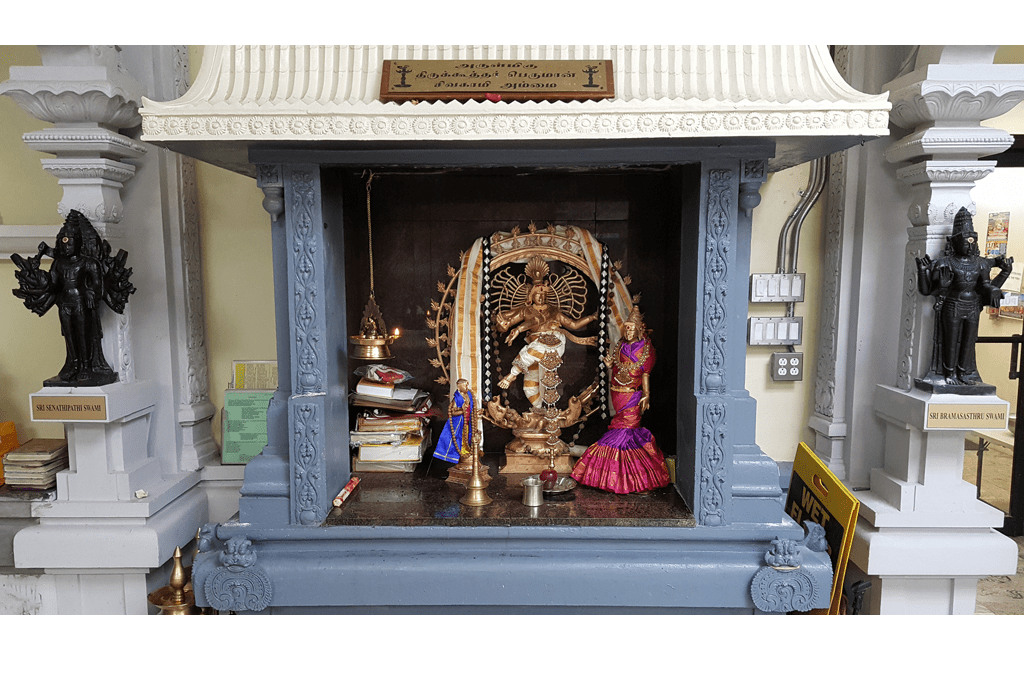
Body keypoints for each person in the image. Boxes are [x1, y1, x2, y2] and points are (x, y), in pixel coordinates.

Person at [11, 210, 133, 386]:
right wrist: (39, 276)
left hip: (80, 303)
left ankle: (86, 366)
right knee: (69, 335)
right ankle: (74, 365)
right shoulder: (59, 263)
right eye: (63, 243)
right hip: (65, 304)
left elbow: (98, 284)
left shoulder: (88, 262)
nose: (66, 246)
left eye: (70, 243)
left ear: (79, 243)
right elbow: (54, 285)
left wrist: (91, 292)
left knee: (84, 335)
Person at [570, 306, 670, 494]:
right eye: (626, 328)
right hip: (617, 394)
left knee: (626, 433)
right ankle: (623, 479)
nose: (628, 332)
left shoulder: (645, 349)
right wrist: (610, 365)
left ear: (639, 329)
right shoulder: (621, 345)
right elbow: (619, 368)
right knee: (620, 430)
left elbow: (645, 375)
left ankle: (637, 481)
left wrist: (647, 395)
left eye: (631, 328)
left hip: (633, 396)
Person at [916, 207, 1013, 387]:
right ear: (954, 242)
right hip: (953, 305)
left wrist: (1003, 276)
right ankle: (949, 372)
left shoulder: (980, 263)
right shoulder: (945, 263)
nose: (969, 246)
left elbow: (985, 286)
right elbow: (927, 290)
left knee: (969, 341)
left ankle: (963, 372)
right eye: (965, 243)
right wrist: (923, 272)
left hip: (973, 306)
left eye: (972, 243)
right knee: (951, 341)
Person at [495, 282, 597, 408]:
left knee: (531, 352)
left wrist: (592, 317)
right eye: (538, 294)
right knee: (529, 388)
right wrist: (503, 326)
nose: (541, 297)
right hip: (535, 348)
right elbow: (506, 325)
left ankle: (512, 375)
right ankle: (540, 410)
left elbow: (574, 325)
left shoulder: (553, 311)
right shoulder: (526, 311)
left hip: (553, 343)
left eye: (544, 294)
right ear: (531, 296)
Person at [432, 378, 475, 463]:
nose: (467, 387)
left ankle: (466, 449)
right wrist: (462, 411)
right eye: (465, 386)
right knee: (459, 437)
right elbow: (452, 412)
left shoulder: (468, 395)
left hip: (468, 421)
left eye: (467, 385)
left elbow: (471, 407)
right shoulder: (457, 398)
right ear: (459, 388)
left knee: (467, 436)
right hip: (459, 422)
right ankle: (460, 452)